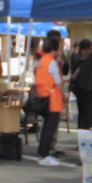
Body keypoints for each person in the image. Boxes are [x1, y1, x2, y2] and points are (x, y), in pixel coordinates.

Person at [34, 38, 65, 166]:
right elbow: (58, 82)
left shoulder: (42, 60)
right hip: (53, 99)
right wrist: (64, 94)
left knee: (46, 127)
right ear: (55, 48)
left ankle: (42, 153)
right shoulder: (52, 62)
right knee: (50, 128)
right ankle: (45, 155)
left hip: (43, 97)